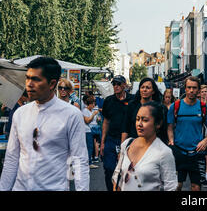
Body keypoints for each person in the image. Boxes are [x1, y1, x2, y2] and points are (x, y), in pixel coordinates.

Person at [0, 56, 89, 191]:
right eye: (28, 78)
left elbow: (79, 161)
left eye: (35, 79)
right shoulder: (20, 113)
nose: (29, 84)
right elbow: (12, 158)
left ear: (52, 84)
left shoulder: (71, 115)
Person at [112, 102, 177, 191]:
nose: (139, 124)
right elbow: (118, 176)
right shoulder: (127, 144)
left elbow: (171, 187)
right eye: (137, 119)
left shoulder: (164, 152)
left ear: (158, 124)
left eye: (145, 120)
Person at [167, 76, 207, 191]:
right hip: (179, 151)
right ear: (185, 89)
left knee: (196, 187)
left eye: (194, 88)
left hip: (197, 153)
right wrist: (171, 140)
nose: (191, 90)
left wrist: (205, 140)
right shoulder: (175, 106)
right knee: (177, 186)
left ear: (198, 90)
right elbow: (169, 127)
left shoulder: (203, 107)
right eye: (189, 87)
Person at [100, 75, 134, 191]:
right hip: (111, 139)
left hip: (128, 141)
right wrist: (102, 142)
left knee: (126, 169)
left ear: (124, 85)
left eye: (119, 84)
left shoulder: (132, 100)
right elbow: (106, 121)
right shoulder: (109, 100)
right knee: (109, 168)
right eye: (114, 84)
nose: (116, 86)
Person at [122, 78, 162, 143]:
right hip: (134, 144)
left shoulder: (158, 107)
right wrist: (122, 149)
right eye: (142, 87)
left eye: (148, 88)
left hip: (152, 145)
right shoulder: (132, 105)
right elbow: (125, 128)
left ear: (153, 91)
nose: (144, 90)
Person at [82, 96, 100, 168]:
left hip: (93, 131)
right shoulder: (84, 111)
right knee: (89, 147)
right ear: (89, 104)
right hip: (87, 131)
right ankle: (88, 163)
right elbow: (87, 121)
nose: (93, 105)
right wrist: (93, 115)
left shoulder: (92, 111)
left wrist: (97, 118)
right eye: (93, 104)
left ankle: (90, 160)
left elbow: (94, 121)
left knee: (92, 146)